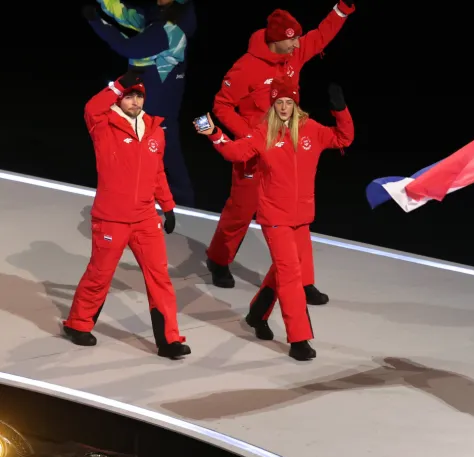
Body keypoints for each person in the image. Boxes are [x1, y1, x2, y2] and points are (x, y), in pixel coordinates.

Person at [195, 76, 354, 361]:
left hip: (302, 216)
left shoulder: (311, 130)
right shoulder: (263, 132)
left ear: (295, 103)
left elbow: (344, 138)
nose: (283, 107)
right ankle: (299, 339)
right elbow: (236, 152)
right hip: (275, 218)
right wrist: (213, 133)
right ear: (273, 104)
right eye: (278, 102)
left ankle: (257, 314)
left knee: (284, 269)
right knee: (291, 275)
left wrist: (340, 110)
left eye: (288, 102)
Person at [205, 2, 356, 301]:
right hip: (256, 148)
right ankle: (218, 260)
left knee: (296, 215)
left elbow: (320, 36)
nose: (298, 43)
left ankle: (303, 281)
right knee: (241, 210)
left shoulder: (294, 54)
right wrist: (251, 134)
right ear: (276, 39)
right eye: (292, 38)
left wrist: (342, 10)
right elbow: (221, 105)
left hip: (288, 148)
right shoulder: (245, 67)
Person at [63, 69, 191, 360]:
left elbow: (158, 172)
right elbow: (90, 107)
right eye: (128, 97)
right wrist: (117, 84)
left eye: (138, 97)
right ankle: (78, 324)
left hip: (146, 218)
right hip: (111, 218)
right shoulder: (103, 124)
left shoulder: (155, 129)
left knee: (160, 278)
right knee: (100, 274)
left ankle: (169, 340)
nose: (134, 102)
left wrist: (168, 206)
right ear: (119, 99)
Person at [83, 0, 198, 207]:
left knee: (164, 157)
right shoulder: (159, 18)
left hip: (159, 104)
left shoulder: (168, 29)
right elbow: (126, 14)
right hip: (149, 101)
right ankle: (150, 200)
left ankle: (183, 206)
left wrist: (96, 21)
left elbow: (128, 47)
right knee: (147, 154)